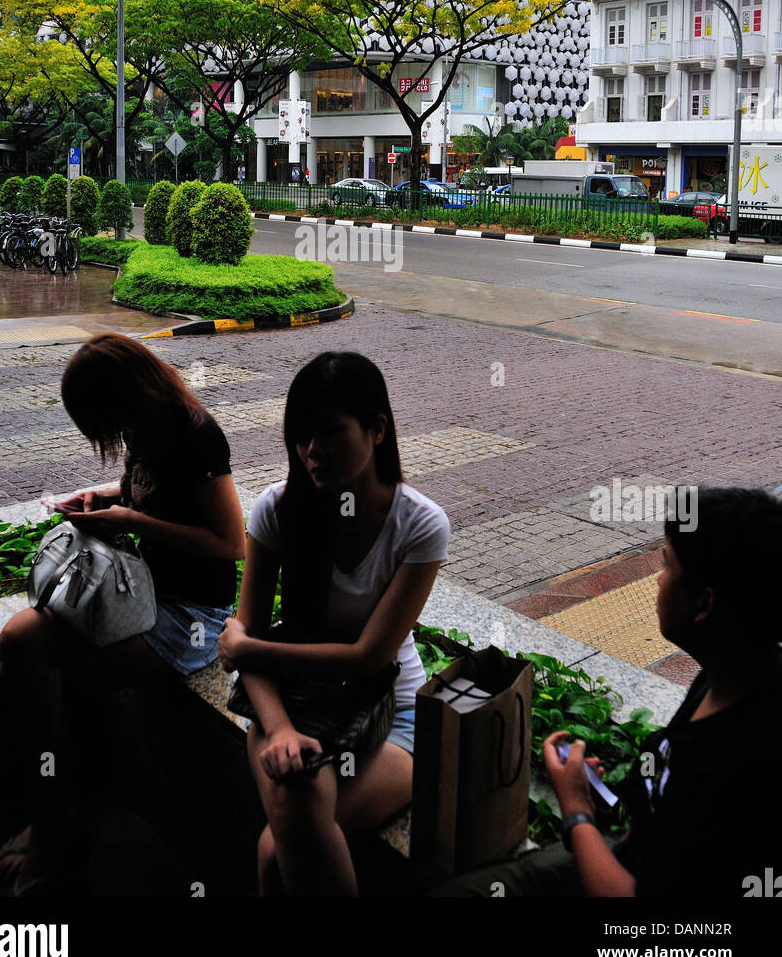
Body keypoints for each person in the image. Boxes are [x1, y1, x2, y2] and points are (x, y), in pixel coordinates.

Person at [0, 332, 245, 894]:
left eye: (104, 417)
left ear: (127, 393)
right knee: (17, 641)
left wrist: (131, 522)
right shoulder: (143, 426)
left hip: (188, 616)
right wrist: (103, 500)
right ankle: (52, 815)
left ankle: (54, 828)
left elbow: (231, 542)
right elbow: (144, 494)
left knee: (33, 669)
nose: (109, 432)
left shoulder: (197, 436)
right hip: (141, 594)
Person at [433, 487, 782, 897]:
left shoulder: (742, 759)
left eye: (667, 565)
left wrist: (576, 811)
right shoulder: (730, 674)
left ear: (704, 604)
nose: (657, 578)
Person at [218, 350, 450, 898]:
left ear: (377, 430)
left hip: (396, 713)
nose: (312, 451)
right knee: (293, 810)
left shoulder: (419, 526)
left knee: (279, 849)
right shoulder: (276, 510)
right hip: (292, 704)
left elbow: (369, 657)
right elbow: (245, 637)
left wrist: (251, 650)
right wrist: (277, 728)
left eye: (330, 432)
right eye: (301, 436)